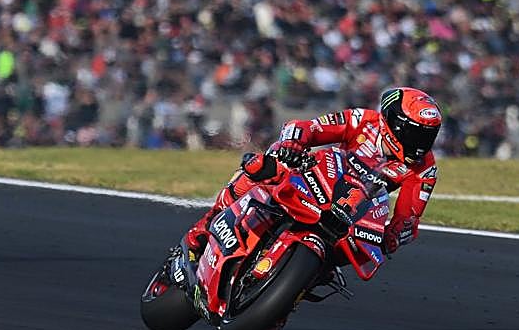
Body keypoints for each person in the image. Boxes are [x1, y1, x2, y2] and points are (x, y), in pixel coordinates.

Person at [183, 86, 441, 267]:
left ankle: (292, 295)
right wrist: (295, 143)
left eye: (428, 136)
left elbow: (408, 217)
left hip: (353, 213)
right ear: (392, 121)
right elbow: (309, 127)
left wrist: (394, 237)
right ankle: (208, 223)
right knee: (266, 163)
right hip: (322, 177)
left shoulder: (424, 169)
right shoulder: (364, 120)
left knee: (361, 253)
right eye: (414, 133)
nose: (420, 143)